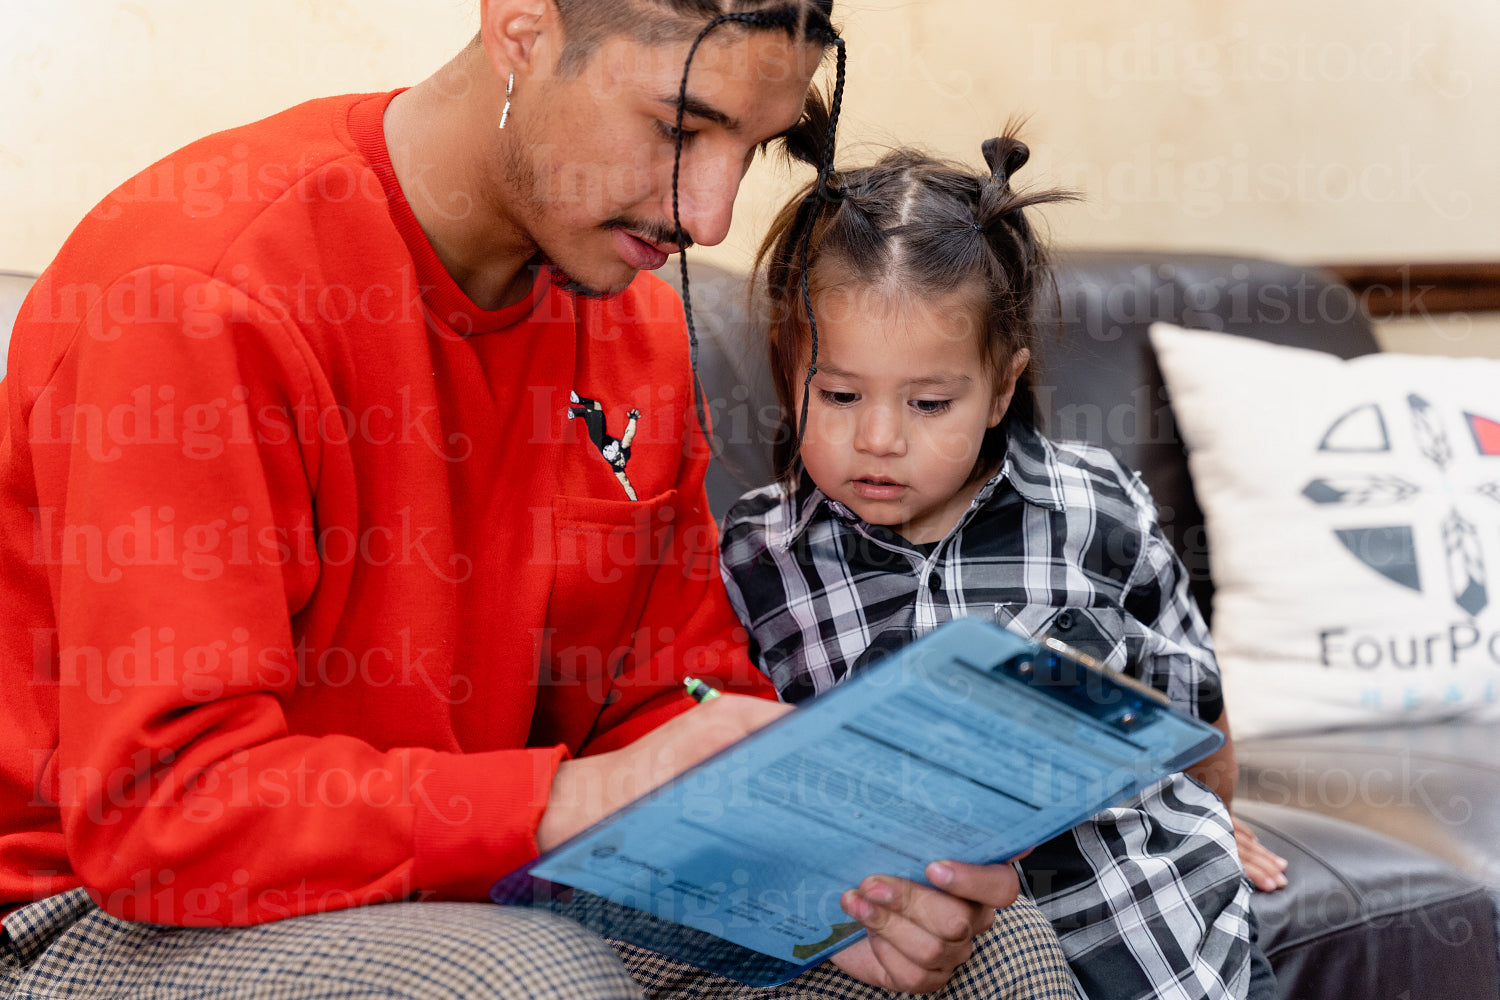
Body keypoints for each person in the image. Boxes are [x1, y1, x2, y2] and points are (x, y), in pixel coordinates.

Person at [0, 1, 1081, 998]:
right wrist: (569, 800)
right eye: (677, 130)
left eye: (752, 150)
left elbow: (664, 697)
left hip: (485, 870)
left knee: (992, 946)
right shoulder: (202, 293)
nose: (707, 216)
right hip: (95, 909)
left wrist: (829, 847)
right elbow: (165, 811)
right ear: (521, 25)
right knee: (524, 982)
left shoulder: (633, 323)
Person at [717, 129, 1281, 999]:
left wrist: (1220, 815)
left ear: (1002, 387)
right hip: (939, 944)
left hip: (1149, 920)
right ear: (790, 369)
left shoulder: (1094, 508)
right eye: (838, 394)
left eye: (930, 402)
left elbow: (1194, 702)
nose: (878, 438)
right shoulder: (759, 556)